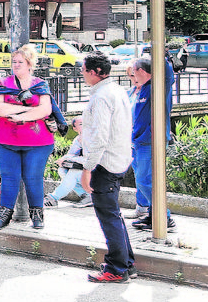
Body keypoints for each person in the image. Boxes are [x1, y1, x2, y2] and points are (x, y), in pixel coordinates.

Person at [80, 52, 136, 283]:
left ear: (94, 73)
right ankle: (126, 263)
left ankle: (117, 268)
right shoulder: (117, 90)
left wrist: (87, 168)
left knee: (109, 216)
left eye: (83, 70)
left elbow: (99, 136)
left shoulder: (101, 96)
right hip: (119, 159)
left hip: (105, 163)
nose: (82, 74)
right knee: (114, 215)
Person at [0, 44, 55, 231]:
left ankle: (37, 215)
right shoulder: (3, 83)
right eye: (14, 62)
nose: (16, 65)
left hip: (38, 142)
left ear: (29, 64)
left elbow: (45, 109)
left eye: (20, 62)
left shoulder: (40, 84)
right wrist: (28, 110)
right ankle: (4, 215)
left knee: (33, 178)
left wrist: (18, 116)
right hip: (5, 140)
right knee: (9, 177)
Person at [128, 57, 176, 231]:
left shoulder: (158, 88)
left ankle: (165, 218)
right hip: (139, 142)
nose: (133, 77)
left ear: (141, 71)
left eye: (134, 72)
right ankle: (153, 215)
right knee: (145, 180)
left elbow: (168, 75)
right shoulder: (141, 90)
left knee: (144, 181)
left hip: (151, 142)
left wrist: (160, 54)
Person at [45, 117, 91, 207]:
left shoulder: (92, 138)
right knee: (62, 170)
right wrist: (64, 160)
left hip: (101, 171)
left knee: (73, 173)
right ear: (74, 128)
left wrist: (67, 158)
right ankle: (87, 196)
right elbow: (71, 154)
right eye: (81, 124)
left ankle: (53, 198)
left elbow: (88, 160)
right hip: (88, 171)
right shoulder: (78, 139)